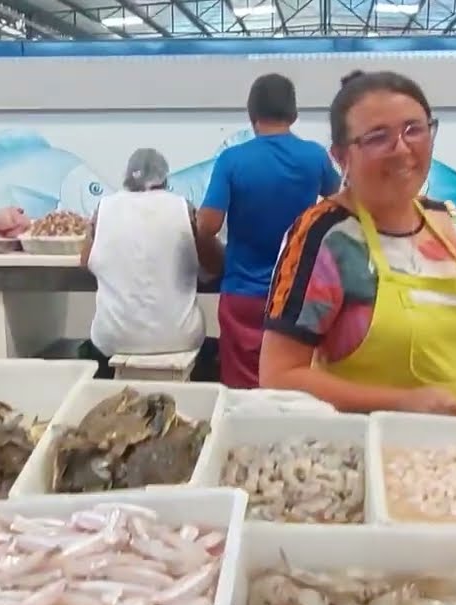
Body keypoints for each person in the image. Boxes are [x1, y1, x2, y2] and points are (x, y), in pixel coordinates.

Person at [260, 70, 456, 415]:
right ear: (341, 157)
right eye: (377, 137)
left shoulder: (442, 222)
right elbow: (279, 375)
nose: (401, 149)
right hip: (365, 448)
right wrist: (401, 404)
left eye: (414, 129)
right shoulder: (327, 237)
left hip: (455, 452)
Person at [196, 73, 341, 389]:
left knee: (241, 389)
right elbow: (339, 203)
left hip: (242, 295)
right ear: (294, 113)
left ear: (251, 114)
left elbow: (208, 225)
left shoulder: (232, 160)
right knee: (288, 384)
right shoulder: (315, 156)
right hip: (296, 294)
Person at [79, 148, 223, 379]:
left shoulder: (103, 209)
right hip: (179, 338)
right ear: (165, 178)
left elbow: (85, 261)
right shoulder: (183, 208)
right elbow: (215, 266)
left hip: (114, 338)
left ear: (126, 177)